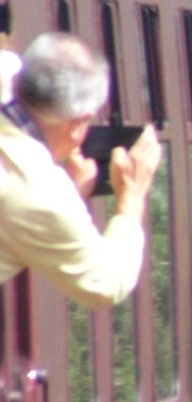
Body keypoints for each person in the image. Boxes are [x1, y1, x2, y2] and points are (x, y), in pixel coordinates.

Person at [0, 32, 162, 307]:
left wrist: (67, 192)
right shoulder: (44, 198)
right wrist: (131, 200)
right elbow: (106, 283)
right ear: (78, 122)